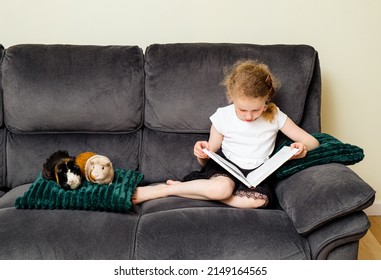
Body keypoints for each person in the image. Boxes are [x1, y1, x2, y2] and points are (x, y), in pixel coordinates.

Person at [133, 60, 319, 208]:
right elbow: (209, 154)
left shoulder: (275, 115)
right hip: (226, 169)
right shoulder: (223, 116)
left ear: (266, 100)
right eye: (242, 110)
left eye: (256, 110)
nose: (248, 116)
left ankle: (194, 191)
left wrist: (301, 149)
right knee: (221, 189)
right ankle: (164, 191)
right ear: (232, 98)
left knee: (258, 201)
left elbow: (312, 142)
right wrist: (202, 152)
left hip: (257, 174)